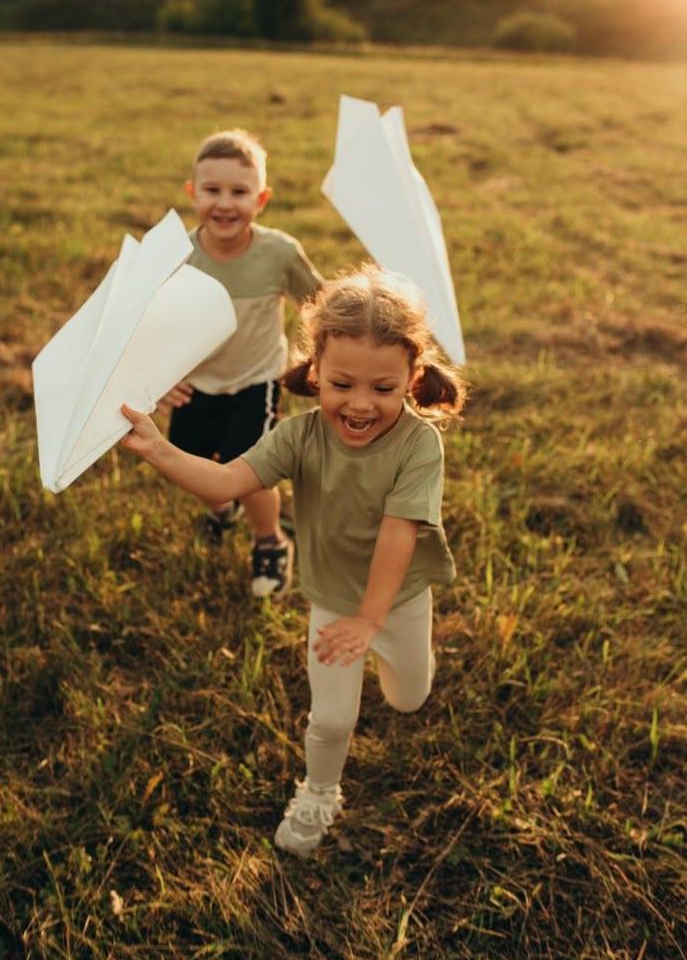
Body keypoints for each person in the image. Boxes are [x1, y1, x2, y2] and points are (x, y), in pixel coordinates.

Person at [121, 267, 466, 856]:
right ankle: (319, 793)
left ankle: (406, 658)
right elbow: (227, 481)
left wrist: (372, 620)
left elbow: (398, 533)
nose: (360, 404)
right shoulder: (298, 437)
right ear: (315, 371)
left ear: (412, 379)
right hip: (332, 599)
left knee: (408, 698)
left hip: (400, 598)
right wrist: (159, 450)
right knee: (330, 718)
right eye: (342, 384)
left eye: (383, 389)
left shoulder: (417, 444)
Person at [160, 127, 324, 597]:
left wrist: (328, 362)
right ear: (193, 193)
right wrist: (160, 379)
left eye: (239, 192)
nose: (225, 204)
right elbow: (152, 324)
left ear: (262, 199)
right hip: (197, 383)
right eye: (212, 190)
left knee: (248, 472)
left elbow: (320, 305)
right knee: (191, 463)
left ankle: (269, 541)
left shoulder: (279, 253)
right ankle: (221, 508)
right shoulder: (176, 257)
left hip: (257, 380)